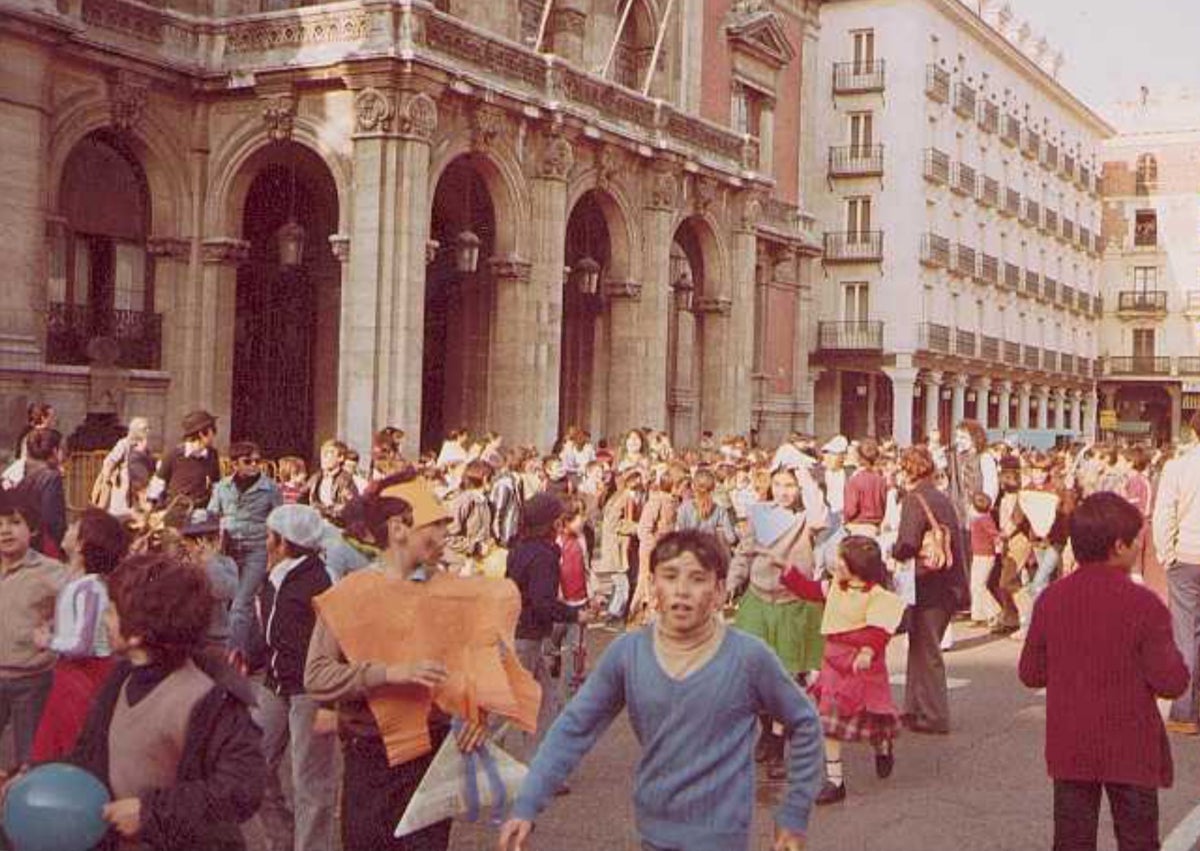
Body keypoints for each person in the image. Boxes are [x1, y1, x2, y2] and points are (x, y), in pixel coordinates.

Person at [497, 530, 823, 851]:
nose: (682, 591)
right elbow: (573, 728)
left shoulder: (749, 657)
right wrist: (527, 803)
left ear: (720, 591)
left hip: (722, 838)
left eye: (697, 579)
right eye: (669, 576)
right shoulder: (628, 653)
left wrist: (794, 812)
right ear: (652, 585)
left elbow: (806, 722)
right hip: (653, 834)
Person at [303, 473, 488, 851]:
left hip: (433, 755)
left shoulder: (454, 592)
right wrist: (389, 674)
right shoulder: (349, 594)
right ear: (398, 528)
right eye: (432, 526)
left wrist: (476, 714)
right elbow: (317, 676)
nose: (442, 536)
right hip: (370, 753)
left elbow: (476, 667)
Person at [58, 552, 266, 850]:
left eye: (112, 611)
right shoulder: (122, 679)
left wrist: (151, 812)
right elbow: (89, 755)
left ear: (138, 633)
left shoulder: (211, 697)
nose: (104, 618)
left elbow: (242, 787)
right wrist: (29, 776)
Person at [1019, 492, 1188, 851]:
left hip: (1071, 743)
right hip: (1131, 745)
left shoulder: (1052, 599)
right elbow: (1171, 682)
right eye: (1136, 540)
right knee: (1137, 839)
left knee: (1072, 840)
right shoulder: (1144, 604)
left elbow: (1031, 673)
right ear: (1118, 546)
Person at [781, 536, 904, 805]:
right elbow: (809, 590)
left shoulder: (878, 596)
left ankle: (883, 747)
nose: (836, 563)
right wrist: (787, 572)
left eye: (841, 559)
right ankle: (836, 781)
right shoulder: (835, 586)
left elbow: (879, 630)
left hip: (864, 670)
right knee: (829, 724)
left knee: (873, 719)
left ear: (857, 567)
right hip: (835, 666)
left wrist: (868, 651)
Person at [727, 465, 827, 779]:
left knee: (786, 679)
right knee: (749, 676)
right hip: (757, 600)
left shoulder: (806, 518)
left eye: (790, 485)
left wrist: (807, 476)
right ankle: (768, 731)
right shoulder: (760, 513)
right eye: (779, 484)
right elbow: (744, 553)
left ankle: (778, 747)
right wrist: (730, 583)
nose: (784, 491)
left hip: (793, 604)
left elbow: (820, 518)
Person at [254, 504, 337, 851]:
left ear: (284, 542)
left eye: (270, 535)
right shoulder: (275, 575)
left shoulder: (319, 580)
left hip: (309, 689)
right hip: (275, 683)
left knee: (310, 782)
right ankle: (283, 839)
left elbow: (336, 641)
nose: (265, 541)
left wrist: (329, 703)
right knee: (252, 763)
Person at [30, 509, 128, 762]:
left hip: (84, 674)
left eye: (75, 526)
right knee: (59, 735)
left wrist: (48, 641)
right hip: (69, 673)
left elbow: (83, 643)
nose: (68, 528)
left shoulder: (90, 587)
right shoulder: (78, 583)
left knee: (74, 737)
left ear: (83, 543)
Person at [890, 446, 966, 735]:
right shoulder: (941, 497)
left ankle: (934, 715)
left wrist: (892, 550)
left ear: (908, 470)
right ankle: (913, 708)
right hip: (948, 581)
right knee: (920, 647)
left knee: (927, 649)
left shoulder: (914, 499)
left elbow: (907, 542)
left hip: (927, 582)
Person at [506, 492, 589, 751]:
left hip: (519, 631)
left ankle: (544, 763)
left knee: (545, 701)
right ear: (552, 523)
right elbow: (543, 603)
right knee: (511, 706)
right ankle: (485, 766)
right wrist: (575, 614)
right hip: (526, 636)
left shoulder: (519, 548)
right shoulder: (544, 555)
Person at [0, 490, 67, 768]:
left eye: (15, 522)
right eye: (0, 522)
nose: (5, 530)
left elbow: (81, 605)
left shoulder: (51, 571)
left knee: (31, 758)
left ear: (33, 528)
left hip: (33, 680)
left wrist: (54, 635)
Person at [208, 441, 283, 666]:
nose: (254, 465)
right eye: (247, 461)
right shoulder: (222, 487)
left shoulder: (270, 488)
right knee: (240, 604)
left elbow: (279, 522)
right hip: (228, 549)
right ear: (234, 464)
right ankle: (255, 652)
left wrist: (276, 557)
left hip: (257, 549)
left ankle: (232, 660)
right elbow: (212, 515)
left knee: (241, 604)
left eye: (257, 461)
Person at [1153, 408, 1200, 735]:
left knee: (1186, 634)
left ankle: (1184, 713)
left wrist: (1165, 553)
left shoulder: (1178, 467)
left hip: (1187, 556)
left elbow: (1164, 513)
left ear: (1194, 432)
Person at [178, 515, 239, 651]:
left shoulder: (226, 563)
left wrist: (209, 562)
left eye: (210, 539)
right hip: (188, 638)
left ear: (218, 540)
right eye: (194, 540)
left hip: (217, 638)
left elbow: (226, 591)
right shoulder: (180, 566)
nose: (202, 546)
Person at [147, 409, 222, 509]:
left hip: (201, 513)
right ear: (202, 434)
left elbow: (216, 484)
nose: (214, 435)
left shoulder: (212, 455)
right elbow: (158, 483)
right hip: (176, 512)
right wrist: (150, 508)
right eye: (213, 430)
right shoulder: (174, 455)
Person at [14, 428, 68, 557]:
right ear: (55, 451)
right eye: (64, 449)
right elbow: (53, 519)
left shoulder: (16, 471)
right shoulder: (51, 477)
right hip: (41, 547)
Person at [601, 469, 642, 626]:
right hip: (617, 547)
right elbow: (614, 524)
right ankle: (614, 614)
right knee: (622, 585)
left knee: (619, 583)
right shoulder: (624, 498)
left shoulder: (619, 497)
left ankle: (616, 612)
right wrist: (637, 527)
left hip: (618, 546)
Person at [92, 416, 154, 517]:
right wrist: (108, 478)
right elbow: (110, 461)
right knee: (121, 513)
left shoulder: (145, 447)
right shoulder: (124, 444)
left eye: (148, 428)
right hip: (123, 483)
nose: (147, 431)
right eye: (144, 429)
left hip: (138, 484)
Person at [675, 468, 737, 548]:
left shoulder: (683, 508)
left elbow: (679, 535)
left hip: (690, 552)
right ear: (713, 488)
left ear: (693, 487)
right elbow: (731, 538)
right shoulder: (720, 510)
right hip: (711, 553)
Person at [967, 492, 1002, 626]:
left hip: (985, 556)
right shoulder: (979, 518)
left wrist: (999, 543)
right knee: (975, 585)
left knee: (979, 585)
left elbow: (994, 534)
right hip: (979, 555)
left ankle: (993, 611)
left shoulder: (984, 519)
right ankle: (978, 614)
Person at [843, 438, 888, 538]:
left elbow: (851, 510)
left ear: (859, 457)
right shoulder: (881, 480)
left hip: (857, 527)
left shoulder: (854, 481)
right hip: (875, 527)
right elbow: (883, 505)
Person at [306, 439, 358, 524]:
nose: (323, 458)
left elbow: (348, 507)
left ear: (340, 458)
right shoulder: (316, 478)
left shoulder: (345, 480)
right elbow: (302, 497)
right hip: (316, 523)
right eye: (322, 454)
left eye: (328, 454)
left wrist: (325, 512)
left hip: (336, 524)